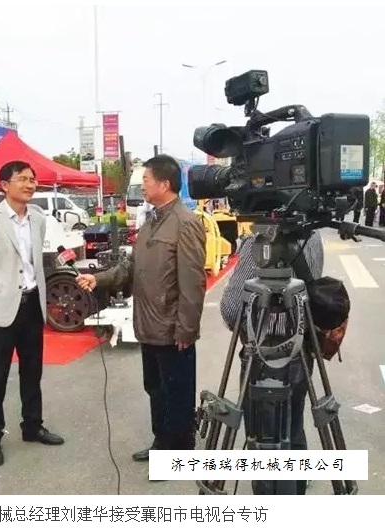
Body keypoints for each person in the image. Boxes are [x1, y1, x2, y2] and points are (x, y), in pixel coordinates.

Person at [75, 154, 207, 460]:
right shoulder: (151, 222)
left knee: (177, 393)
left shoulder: (185, 223)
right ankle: (162, 443)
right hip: (148, 325)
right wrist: (97, 278)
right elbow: (128, 268)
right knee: (156, 389)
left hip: (173, 330)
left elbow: (192, 283)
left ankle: (179, 451)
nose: (143, 186)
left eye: (146, 180)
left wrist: (186, 329)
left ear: (164, 183)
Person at [0, 160, 64, 467]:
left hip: (32, 304)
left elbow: (34, 261)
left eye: (32, 179)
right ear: (4, 185)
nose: (30, 184)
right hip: (1, 308)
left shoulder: (38, 217)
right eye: (22, 179)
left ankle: (32, 426)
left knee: (32, 371)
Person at [220, 227, 324, 495]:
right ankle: (296, 489)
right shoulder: (312, 237)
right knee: (293, 425)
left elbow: (232, 309)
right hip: (301, 354)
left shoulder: (259, 242)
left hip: (262, 359)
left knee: (263, 438)